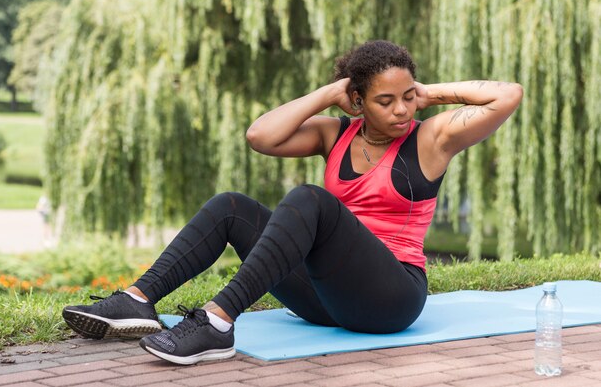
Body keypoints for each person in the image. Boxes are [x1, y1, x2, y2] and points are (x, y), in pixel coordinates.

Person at [62, 40, 523, 365]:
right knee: (232, 206)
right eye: (385, 101)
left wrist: (431, 93)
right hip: (326, 299)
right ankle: (137, 299)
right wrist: (328, 94)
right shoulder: (334, 133)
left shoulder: (432, 138)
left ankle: (216, 324)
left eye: (407, 97)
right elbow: (259, 135)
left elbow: (508, 95)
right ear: (357, 101)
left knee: (311, 200)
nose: (401, 110)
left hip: (391, 298)